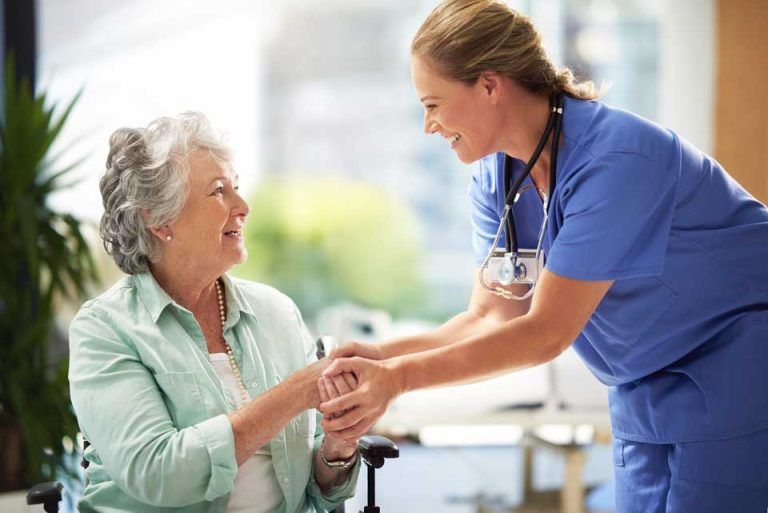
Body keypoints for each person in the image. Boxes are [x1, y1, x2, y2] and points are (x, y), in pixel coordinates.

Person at [319, 1, 768, 511]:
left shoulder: (619, 160)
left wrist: (398, 381)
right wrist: (385, 355)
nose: (429, 126)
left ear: (489, 86)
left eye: (433, 104)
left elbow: (545, 333)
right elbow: (491, 315)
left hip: (737, 370)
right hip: (643, 389)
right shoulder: (496, 178)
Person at [68, 112, 361, 513]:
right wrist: (294, 394)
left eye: (237, 187)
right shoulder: (105, 329)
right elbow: (159, 473)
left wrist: (337, 448)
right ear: (158, 219)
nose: (243, 206)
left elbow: (316, 490)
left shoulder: (277, 312)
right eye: (219, 191)